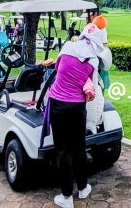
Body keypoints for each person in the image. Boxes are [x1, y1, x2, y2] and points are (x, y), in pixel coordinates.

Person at [46, 24, 101, 207]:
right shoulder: (94, 61)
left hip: (58, 104)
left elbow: (58, 67)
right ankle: (83, 188)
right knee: (78, 147)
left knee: (62, 150)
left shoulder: (68, 46)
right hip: (78, 107)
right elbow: (89, 86)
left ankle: (67, 197)